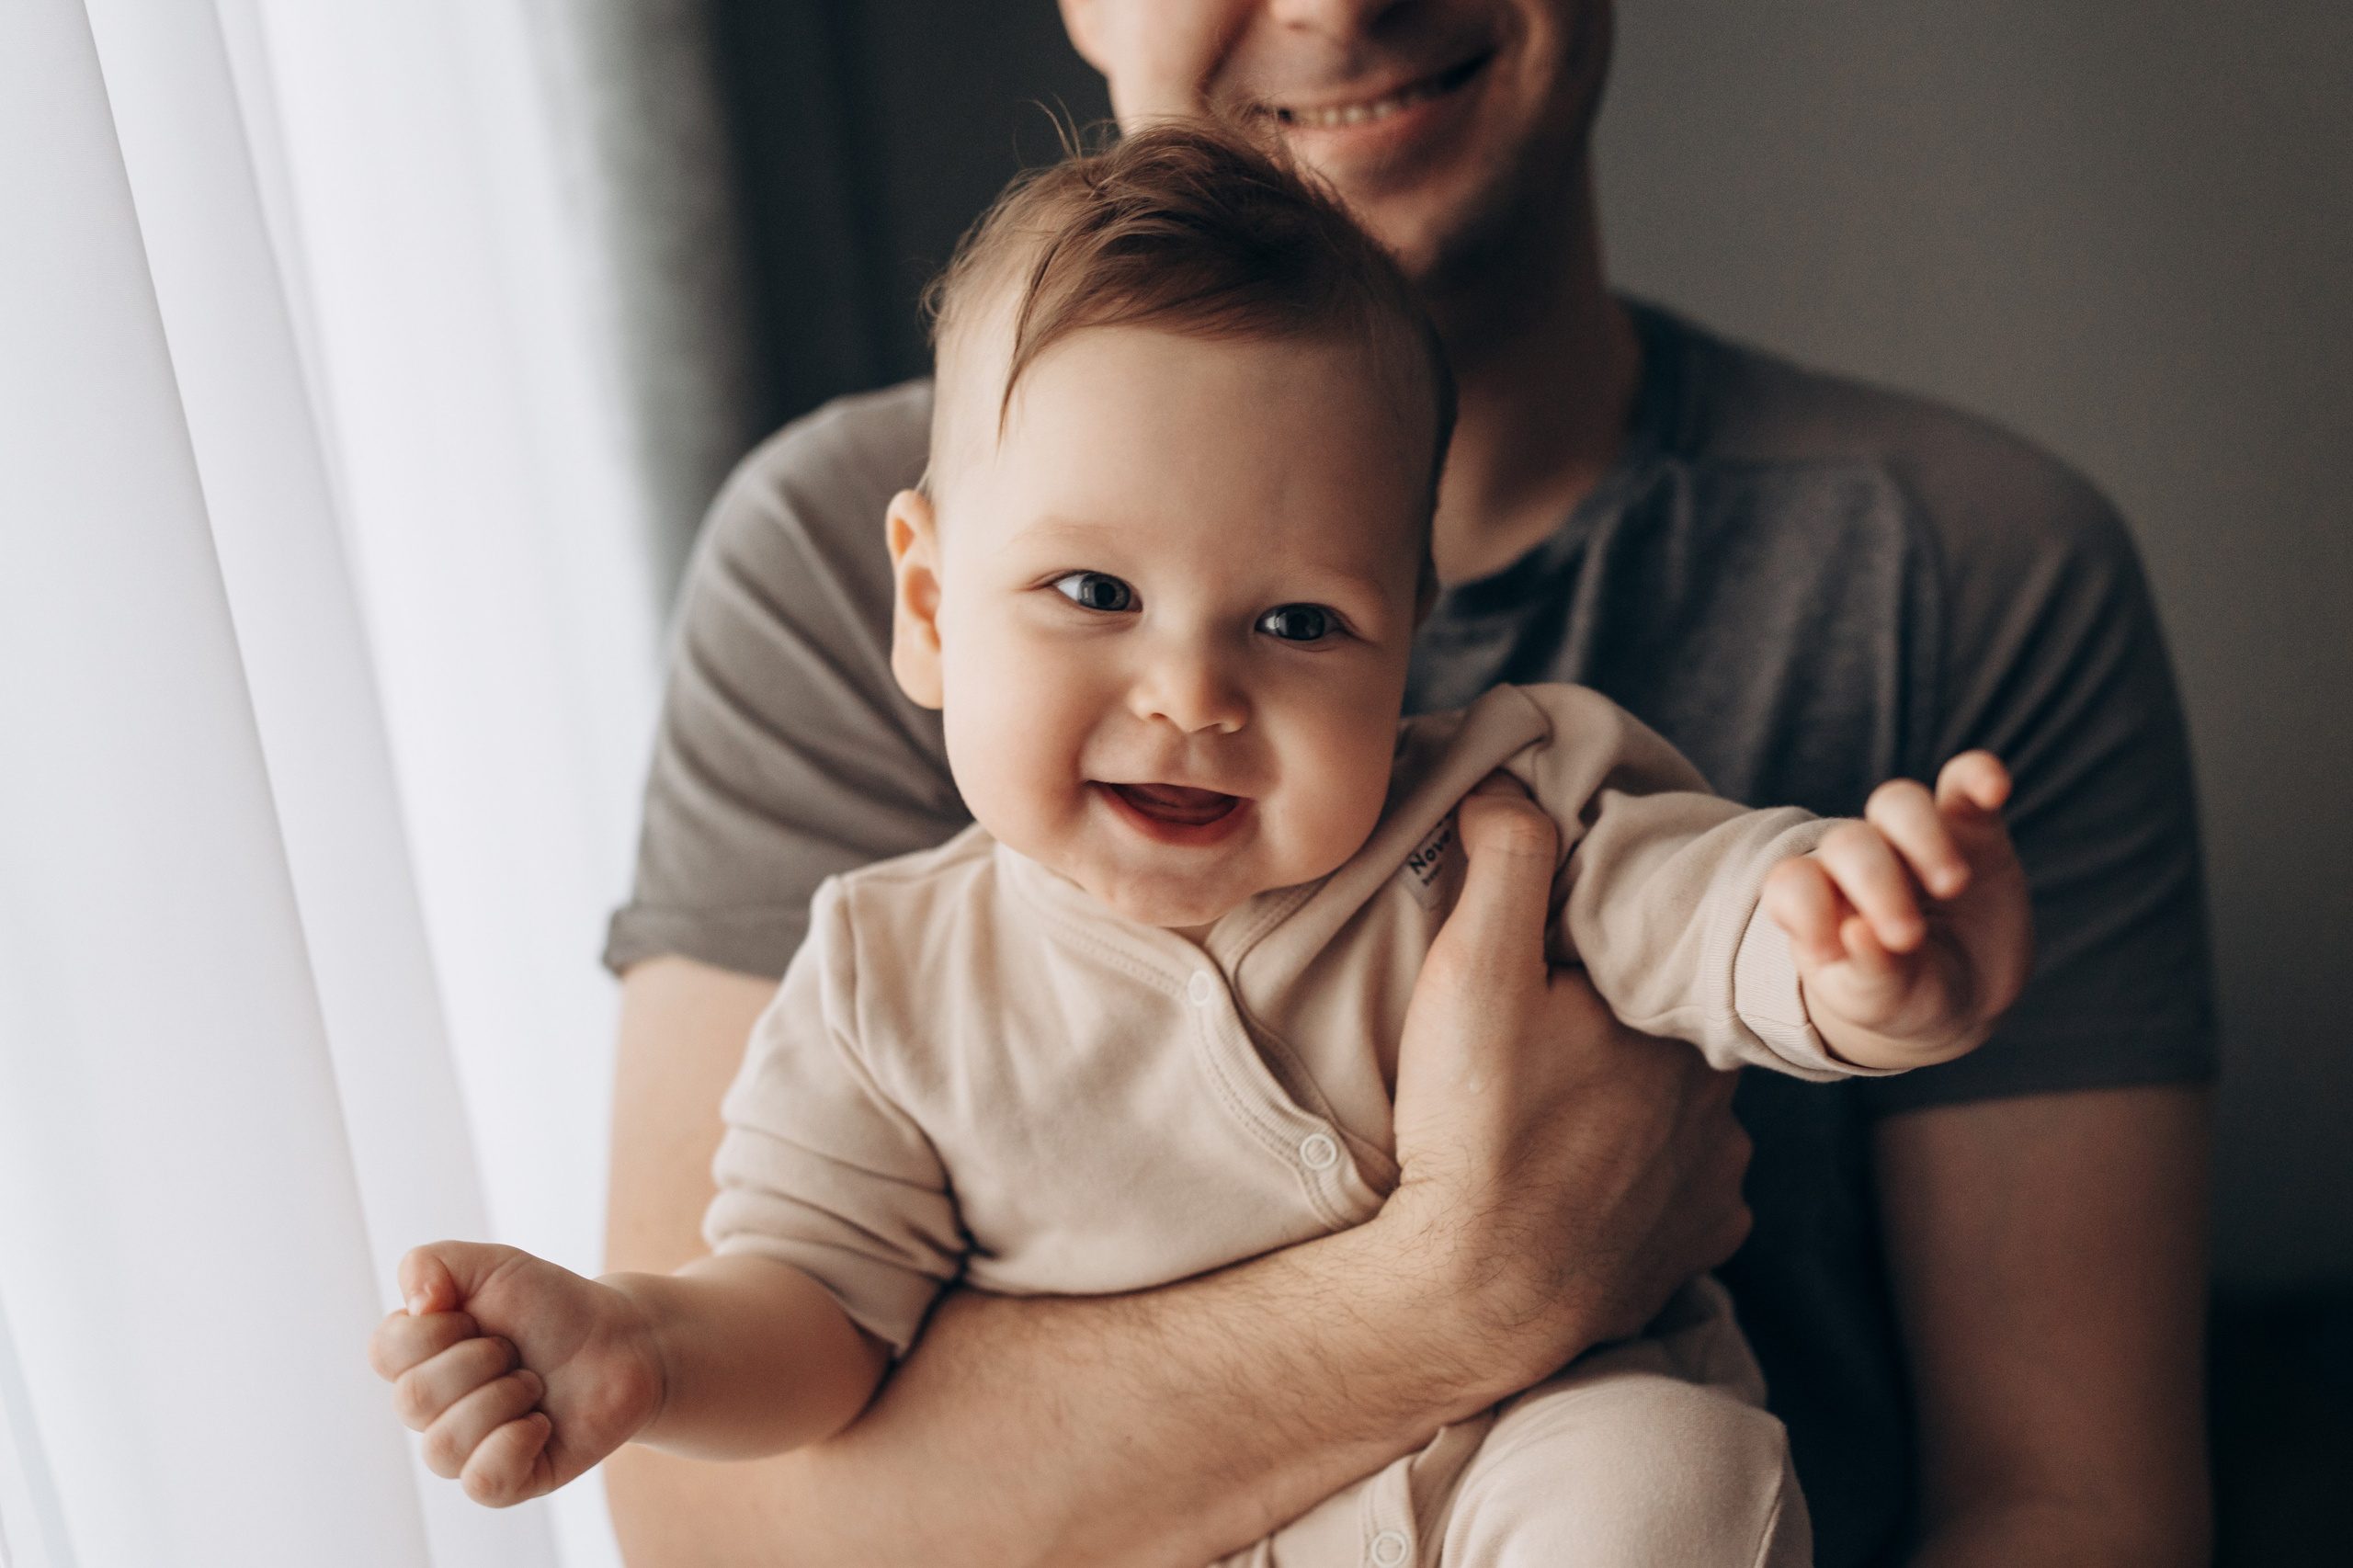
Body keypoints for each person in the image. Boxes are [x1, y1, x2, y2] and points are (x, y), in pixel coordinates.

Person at [597, 3, 2216, 1564]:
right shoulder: (881, 964)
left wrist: (1843, 956)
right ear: (930, 606)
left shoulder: (1501, 794)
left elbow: (1691, 896)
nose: (1188, 696)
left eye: (1300, 622)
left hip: (1540, 1493)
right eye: (1092, 595)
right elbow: (753, 1443)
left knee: (1672, 1474)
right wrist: (1471, 1279)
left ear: (1415, 636)